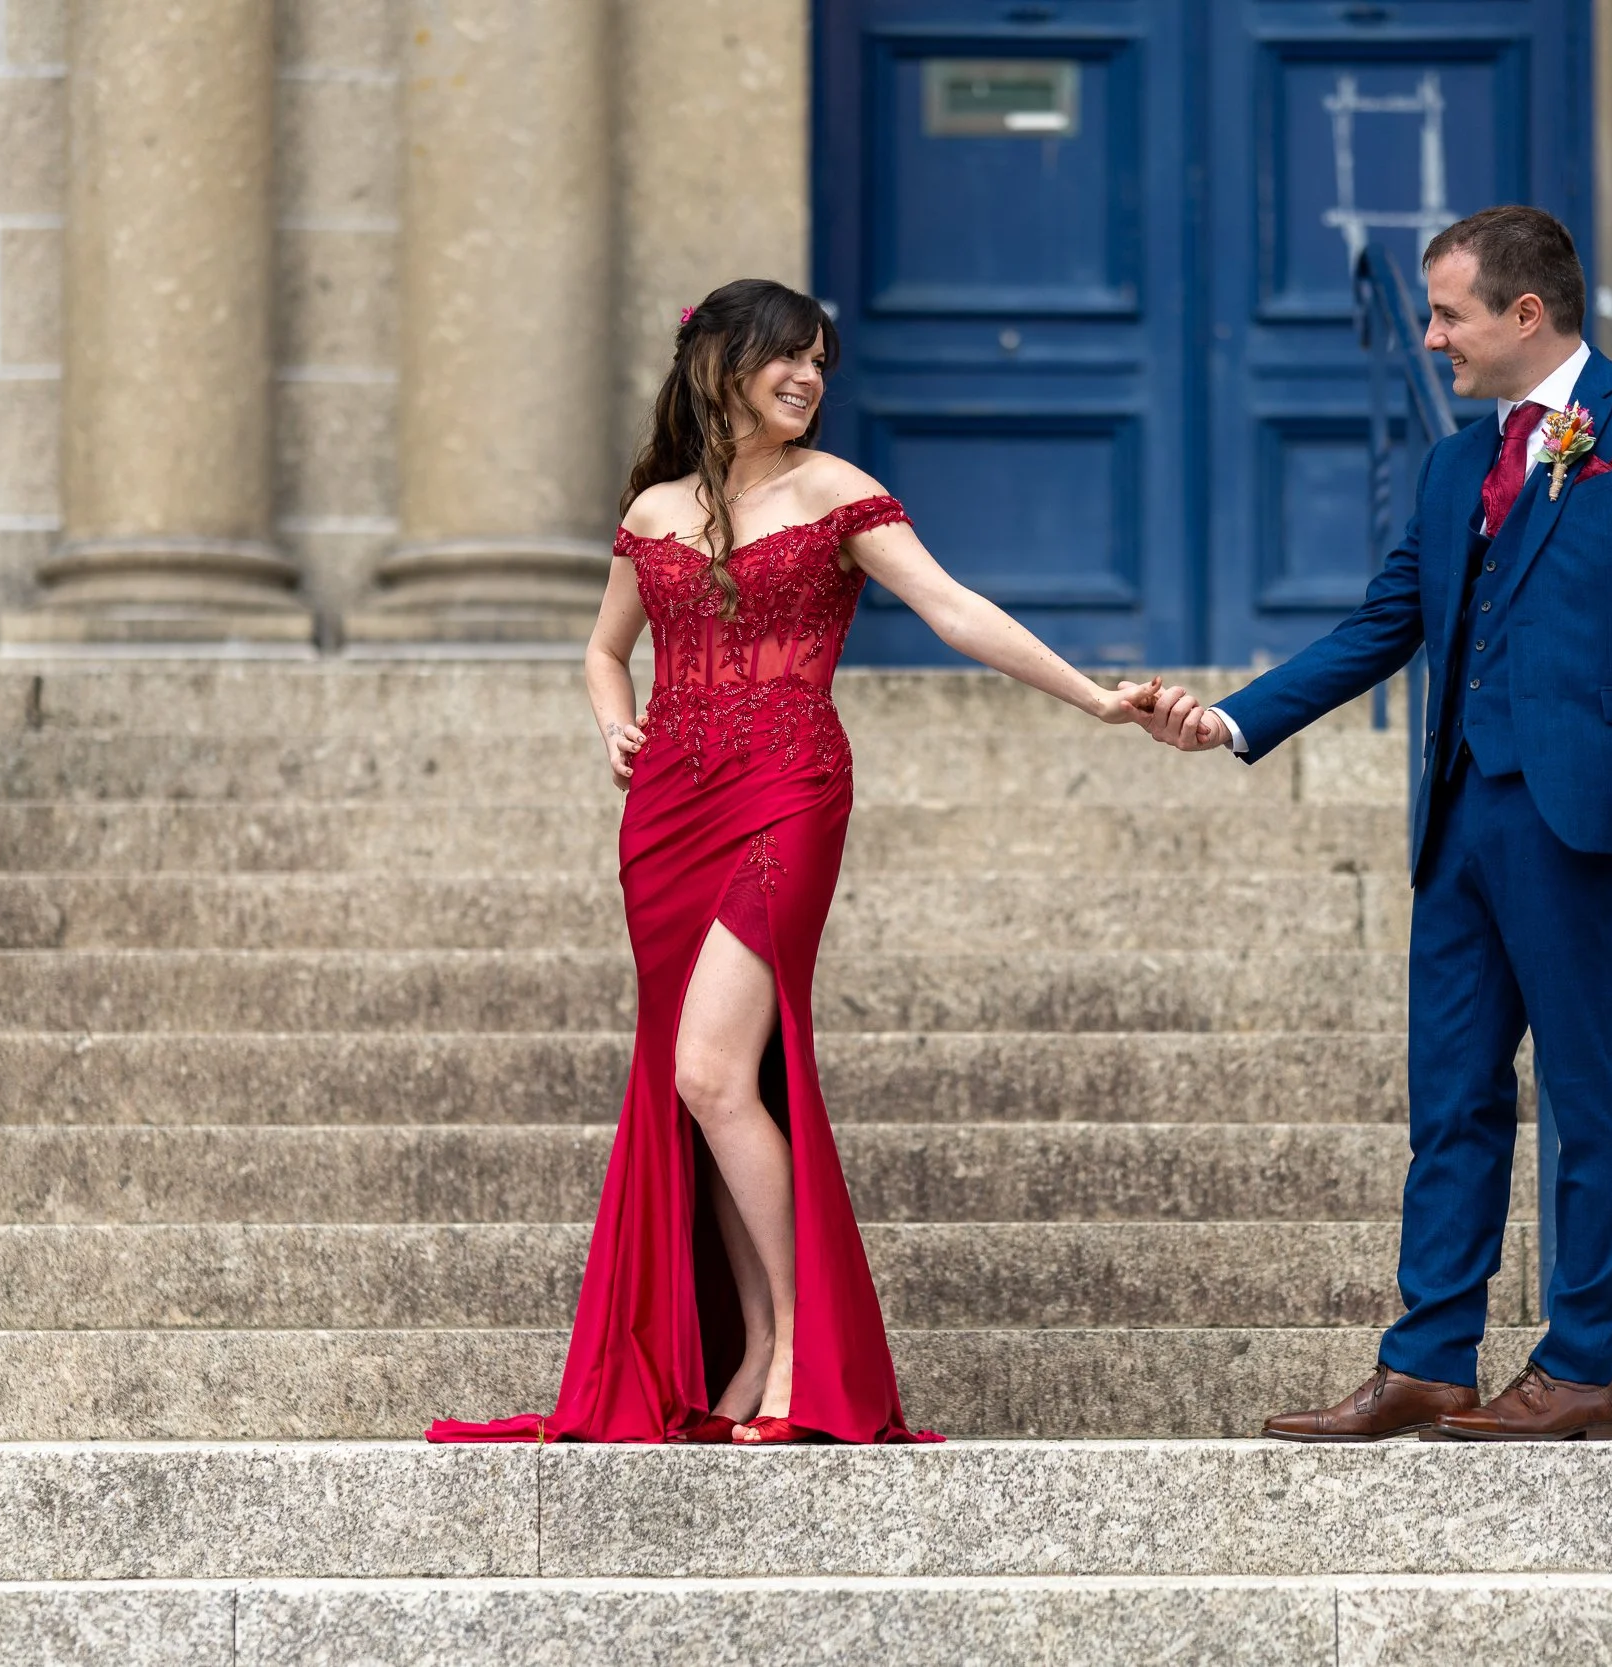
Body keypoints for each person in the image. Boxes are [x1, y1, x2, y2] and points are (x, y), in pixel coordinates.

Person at [428, 278, 1157, 1447]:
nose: (810, 378)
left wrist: (1092, 699)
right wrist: (612, 717)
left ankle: (796, 1353)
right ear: (720, 362)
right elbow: (604, 648)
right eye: (787, 358)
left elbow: (952, 607)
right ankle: (756, 1346)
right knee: (705, 1085)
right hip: (665, 814)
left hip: (786, 789)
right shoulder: (657, 509)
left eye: (820, 361)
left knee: (715, 1071)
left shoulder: (839, 492)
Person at [1139, 206, 1612, 1441]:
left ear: (1525, 314)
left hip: (1576, 813)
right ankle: (1428, 1356)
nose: (1428, 337)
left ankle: (1577, 1369)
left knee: (1585, 1087)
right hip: (1458, 818)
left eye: (1448, 313)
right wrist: (1234, 720)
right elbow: (1384, 621)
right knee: (1450, 1092)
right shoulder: (1457, 462)